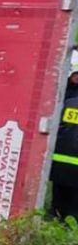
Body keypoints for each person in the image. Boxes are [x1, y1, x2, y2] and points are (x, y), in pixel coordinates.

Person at [50, 50, 78, 219]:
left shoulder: (65, 100)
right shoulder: (63, 98)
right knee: (61, 202)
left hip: (62, 162)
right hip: (61, 161)